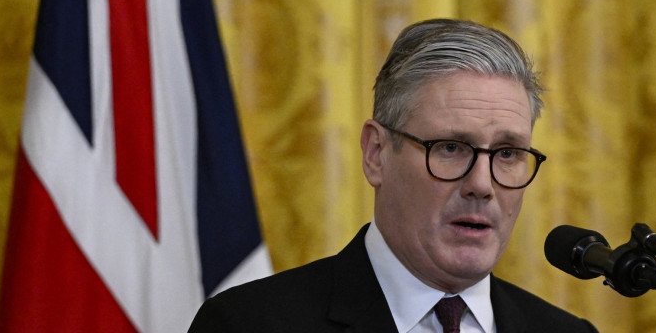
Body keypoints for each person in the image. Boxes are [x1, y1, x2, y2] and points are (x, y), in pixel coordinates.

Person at [188, 19, 598, 332]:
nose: (481, 185)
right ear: (376, 154)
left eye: (507, 153)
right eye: (450, 148)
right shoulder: (247, 324)